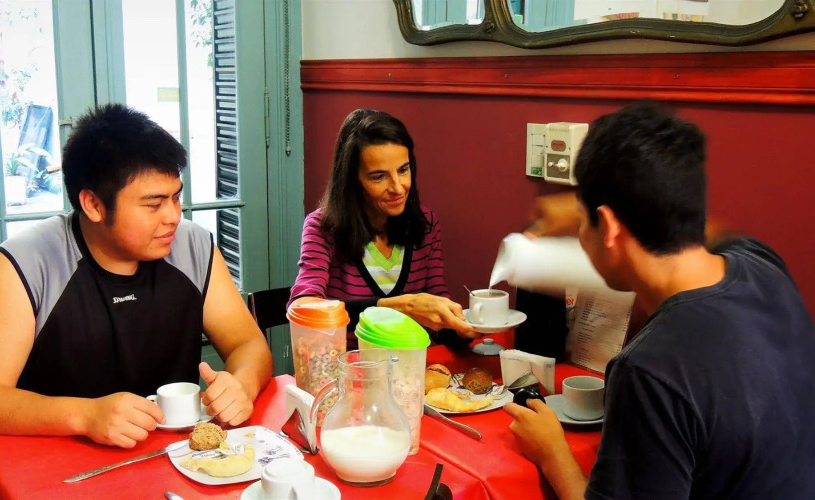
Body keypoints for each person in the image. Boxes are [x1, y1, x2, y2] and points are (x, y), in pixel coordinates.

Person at [505, 101, 815, 499]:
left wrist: (552, 452)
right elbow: (711, 230)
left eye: (583, 219)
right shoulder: (761, 265)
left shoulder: (649, 369)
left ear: (610, 227)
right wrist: (588, 209)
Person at [0, 104, 273, 448]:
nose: (173, 216)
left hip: (174, 455)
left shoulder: (193, 246)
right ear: (93, 204)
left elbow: (248, 344)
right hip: (59, 461)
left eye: (176, 197)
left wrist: (241, 384)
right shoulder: (26, 263)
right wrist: (85, 415)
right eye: (154, 204)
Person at [290, 108, 475, 348]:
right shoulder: (322, 227)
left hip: (413, 364)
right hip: (351, 366)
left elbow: (436, 301)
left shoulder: (427, 224)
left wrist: (464, 328)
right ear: (352, 181)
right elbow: (303, 307)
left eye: (403, 170)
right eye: (379, 177)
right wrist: (400, 306)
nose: (398, 188)